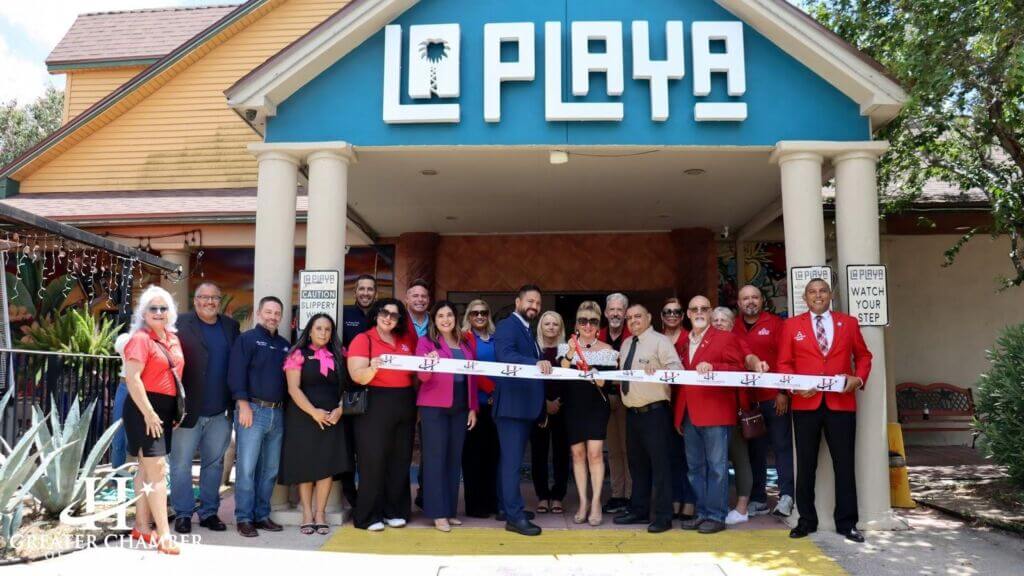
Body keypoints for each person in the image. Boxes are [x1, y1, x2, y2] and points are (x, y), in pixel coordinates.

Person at [780, 279, 872, 543]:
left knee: (844, 464)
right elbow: (784, 364)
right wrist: (795, 388)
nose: (817, 296)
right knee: (806, 465)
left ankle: (847, 523)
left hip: (840, 404)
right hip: (805, 404)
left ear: (830, 295)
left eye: (822, 291)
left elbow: (864, 356)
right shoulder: (791, 326)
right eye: (812, 292)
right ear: (805, 297)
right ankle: (806, 521)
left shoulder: (849, 323)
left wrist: (858, 379)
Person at [170, 282, 240, 534]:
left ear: (219, 301)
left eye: (214, 298)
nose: (209, 302)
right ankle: (183, 513)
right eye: (204, 297)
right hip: (187, 410)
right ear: (196, 300)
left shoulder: (231, 327)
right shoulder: (179, 323)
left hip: (220, 410)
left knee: (214, 464)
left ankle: (209, 512)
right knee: (180, 464)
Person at [673, 296, 746, 535]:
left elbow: (739, 370)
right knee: (695, 468)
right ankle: (703, 512)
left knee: (717, 467)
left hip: (715, 412)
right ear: (688, 313)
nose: (699, 312)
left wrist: (715, 368)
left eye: (704, 308)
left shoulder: (725, 338)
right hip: (689, 413)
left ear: (711, 311)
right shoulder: (684, 342)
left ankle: (716, 515)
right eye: (694, 309)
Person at [121, 285, 184, 555]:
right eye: (153, 308)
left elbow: (175, 377)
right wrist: (149, 413)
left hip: (164, 409)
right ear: (143, 313)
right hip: (143, 408)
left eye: (163, 308)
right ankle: (164, 536)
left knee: (146, 470)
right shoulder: (140, 339)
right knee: (158, 469)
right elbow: (133, 379)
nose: (159, 312)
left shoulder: (172, 338)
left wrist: (174, 411)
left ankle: (142, 527)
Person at [347, 298, 417, 531]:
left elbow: (418, 370)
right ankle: (368, 516)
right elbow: (357, 376)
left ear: (399, 319)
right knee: (372, 460)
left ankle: (394, 511)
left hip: (405, 401)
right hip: (374, 403)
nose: (388, 318)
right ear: (376, 314)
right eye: (384, 313)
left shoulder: (407, 339)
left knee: (400, 459)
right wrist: (374, 367)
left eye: (394, 315)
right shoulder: (363, 338)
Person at [281, 313, 351, 535]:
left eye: (328, 329)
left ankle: (320, 514)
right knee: (307, 466)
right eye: (319, 328)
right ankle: (307, 515)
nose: (323, 333)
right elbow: (293, 389)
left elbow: (348, 387)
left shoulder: (340, 354)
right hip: (304, 417)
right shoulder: (298, 354)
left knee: (326, 467)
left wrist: (340, 408)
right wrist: (314, 412)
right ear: (309, 331)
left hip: (332, 417)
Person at [612, 304, 681, 533]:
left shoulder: (661, 341)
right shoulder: (625, 344)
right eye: (629, 318)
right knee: (637, 465)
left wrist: (659, 369)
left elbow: (677, 368)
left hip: (655, 413)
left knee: (660, 466)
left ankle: (663, 516)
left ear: (649, 317)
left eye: (637, 316)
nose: (633, 321)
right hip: (632, 414)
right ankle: (639, 510)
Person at [227, 296, 290, 538]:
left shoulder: (285, 345)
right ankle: (244, 517)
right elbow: (236, 373)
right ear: (259, 313)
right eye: (269, 312)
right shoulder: (247, 339)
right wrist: (243, 404)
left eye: (277, 313)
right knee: (246, 468)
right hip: (252, 411)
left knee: (270, 469)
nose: (273, 316)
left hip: (277, 412)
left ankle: (262, 515)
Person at [416, 301, 479, 532]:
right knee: (435, 459)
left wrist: (473, 408)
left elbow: (472, 377)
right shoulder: (425, 343)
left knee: (454, 459)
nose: (445, 319)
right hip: (434, 407)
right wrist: (429, 363)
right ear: (434, 320)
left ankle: (449, 510)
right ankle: (437, 512)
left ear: (455, 318)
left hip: (461, 407)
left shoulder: (465, 343)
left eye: (449, 315)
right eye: (440, 315)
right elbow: (421, 378)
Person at [493, 284, 549, 536]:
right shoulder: (508, 325)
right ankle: (514, 518)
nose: (534, 306)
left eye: (537, 303)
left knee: (509, 462)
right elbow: (505, 355)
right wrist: (536, 361)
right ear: (517, 302)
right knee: (512, 464)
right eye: (530, 301)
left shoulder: (527, 330)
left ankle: (508, 508)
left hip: (524, 408)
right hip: (512, 409)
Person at [733, 284, 793, 517]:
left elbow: (786, 358)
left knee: (781, 447)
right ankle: (758, 498)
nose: (750, 301)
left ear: (761, 300)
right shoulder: (733, 326)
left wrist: (783, 392)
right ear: (738, 304)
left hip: (773, 397)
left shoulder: (776, 324)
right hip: (748, 402)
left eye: (755, 297)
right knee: (754, 451)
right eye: (745, 298)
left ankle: (786, 496)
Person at [559, 301, 617, 526]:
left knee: (594, 454)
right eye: (583, 320)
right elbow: (560, 372)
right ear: (576, 324)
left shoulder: (608, 350)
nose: (587, 325)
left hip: (596, 407)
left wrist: (599, 376)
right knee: (577, 454)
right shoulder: (567, 348)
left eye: (592, 321)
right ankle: (583, 501)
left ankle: (596, 502)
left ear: (598, 324)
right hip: (573, 406)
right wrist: (571, 353)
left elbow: (609, 383)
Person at [711, 306, 755, 526]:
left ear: (731, 324)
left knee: (739, 458)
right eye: (715, 320)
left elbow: (740, 367)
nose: (719, 323)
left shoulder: (735, 340)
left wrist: (713, 367)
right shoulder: (706, 342)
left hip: (733, 407)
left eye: (723, 320)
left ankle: (742, 507)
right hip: (712, 408)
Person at [461, 299, 502, 519]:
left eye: (483, 313)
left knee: (492, 455)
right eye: (475, 312)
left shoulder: (496, 338)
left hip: (497, 405)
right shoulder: (465, 338)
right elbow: (471, 370)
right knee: (473, 456)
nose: (479, 316)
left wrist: (498, 393)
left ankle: (491, 502)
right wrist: (492, 391)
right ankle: (476, 506)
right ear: (468, 316)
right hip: (475, 405)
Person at [339, 274, 377, 510]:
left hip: (376, 392)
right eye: (361, 289)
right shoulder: (345, 316)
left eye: (370, 289)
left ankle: (369, 496)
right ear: (355, 292)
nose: (365, 293)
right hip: (350, 392)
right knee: (348, 445)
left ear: (375, 292)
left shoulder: (381, 316)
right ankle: (351, 496)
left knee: (370, 447)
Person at [659, 298, 696, 521]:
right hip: (662, 403)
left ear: (683, 316)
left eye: (676, 312)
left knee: (689, 456)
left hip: (687, 403)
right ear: (661, 315)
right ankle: (673, 499)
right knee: (669, 455)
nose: (672, 315)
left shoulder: (690, 338)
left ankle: (690, 500)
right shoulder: (655, 338)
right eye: (667, 311)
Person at [531, 311, 569, 516]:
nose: (551, 327)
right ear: (541, 326)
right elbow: (530, 379)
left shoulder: (567, 350)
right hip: (539, 408)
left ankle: (558, 496)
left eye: (556, 323)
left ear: (561, 327)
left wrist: (557, 402)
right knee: (539, 453)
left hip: (562, 408)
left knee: (561, 454)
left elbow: (571, 381)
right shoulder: (534, 349)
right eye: (547, 323)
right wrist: (544, 403)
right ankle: (542, 496)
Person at [599, 292, 632, 515]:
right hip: (604, 398)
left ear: (626, 313)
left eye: (620, 310)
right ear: (605, 312)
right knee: (612, 450)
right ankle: (617, 494)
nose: (615, 313)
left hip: (627, 398)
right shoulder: (598, 335)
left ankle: (630, 495)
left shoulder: (633, 336)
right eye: (612, 309)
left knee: (628, 448)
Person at [405, 278, 431, 510]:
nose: (420, 300)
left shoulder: (436, 323)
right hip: (402, 390)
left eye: (423, 296)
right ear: (407, 299)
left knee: (428, 445)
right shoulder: (398, 322)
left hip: (429, 392)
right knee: (402, 444)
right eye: (415, 296)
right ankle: (399, 495)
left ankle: (425, 493)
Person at [109, 332, 132, 470]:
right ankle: (117, 475)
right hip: (126, 385)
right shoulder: (126, 338)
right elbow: (120, 346)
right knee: (118, 433)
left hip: (149, 386)